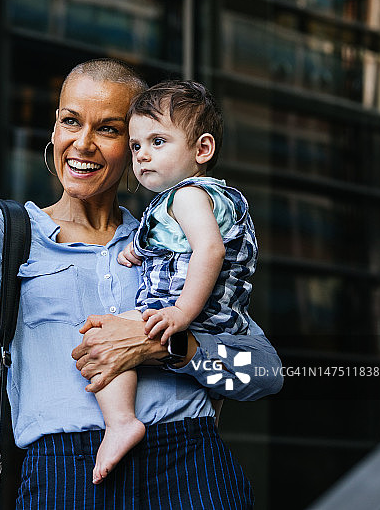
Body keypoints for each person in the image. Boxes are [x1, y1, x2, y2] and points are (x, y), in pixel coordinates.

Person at [0, 51, 283, 508]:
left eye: (108, 129)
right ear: (54, 129)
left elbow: (265, 373)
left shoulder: (175, 244)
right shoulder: (9, 232)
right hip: (67, 477)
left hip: (192, 468)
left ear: (134, 144)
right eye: (71, 121)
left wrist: (168, 346)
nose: (83, 143)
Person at [89, 80, 258, 484]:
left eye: (158, 142)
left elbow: (209, 250)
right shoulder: (198, 199)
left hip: (192, 315)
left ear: (202, 149)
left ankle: (121, 422)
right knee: (209, 406)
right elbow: (177, 243)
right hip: (222, 324)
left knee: (102, 337)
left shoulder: (187, 196)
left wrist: (181, 312)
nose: (142, 155)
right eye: (135, 146)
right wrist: (139, 251)